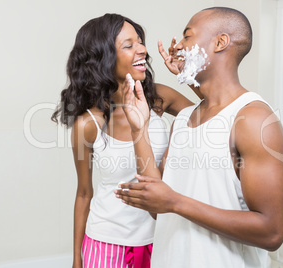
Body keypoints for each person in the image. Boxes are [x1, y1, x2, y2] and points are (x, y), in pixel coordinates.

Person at [116, 7, 283, 268]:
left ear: (220, 42)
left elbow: (271, 232)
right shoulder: (185, 119)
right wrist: (139, 129)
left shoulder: (254, 120)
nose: (178, 46)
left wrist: (176, 202)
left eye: (187, 36)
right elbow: (157, 206)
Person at [51, 13, 194, 268]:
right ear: (104, 58)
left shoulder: (158, 98)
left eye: (140, 41)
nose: (142, 49)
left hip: (160, 239)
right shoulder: (88, 125)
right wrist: (77, 258)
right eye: (129, 45)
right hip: (106, 244)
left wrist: (186, 74)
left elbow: (210, 118)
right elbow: (84, 193)